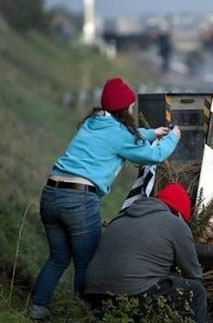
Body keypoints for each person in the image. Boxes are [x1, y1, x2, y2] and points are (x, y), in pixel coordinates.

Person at [30, 78, 180, 320]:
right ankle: (83, 314)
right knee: (87, 263)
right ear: (123, 110)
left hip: (51, 194)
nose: (132, 111)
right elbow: (156, 155)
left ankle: (38, 308)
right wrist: (173, 136)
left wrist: (152, 132)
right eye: (131, 107)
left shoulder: (92, 122)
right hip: (79, 199)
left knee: (57, 258)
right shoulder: (120, 134)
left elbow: (120, 136)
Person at [84, 184, 206, 322]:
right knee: (196, 291)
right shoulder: (176, 224)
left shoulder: (120, 217)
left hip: (92, 291)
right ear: (179, 213)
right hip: (131, 291)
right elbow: (193, 274)